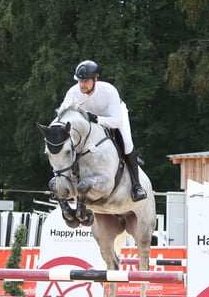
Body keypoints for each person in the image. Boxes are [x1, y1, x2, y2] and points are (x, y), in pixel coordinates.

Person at [60, 60, 147, 201]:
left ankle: (137, 185)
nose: (82, 85)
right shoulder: (73, 92)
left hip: (113, 116)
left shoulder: (109, 90)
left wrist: (96, 119)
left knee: (126, 142)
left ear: (95, 79)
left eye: (86, 81)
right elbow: (63, 114)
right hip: (89, 120)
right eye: (80, 81)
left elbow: (117, 120)